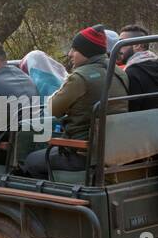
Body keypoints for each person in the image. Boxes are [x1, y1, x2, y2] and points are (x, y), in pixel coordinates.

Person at [20, 26, 127, 178]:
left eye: (74, 50)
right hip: (112, 149)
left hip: (81, 153)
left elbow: (52, 109)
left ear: (87, 52)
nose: (70, 54)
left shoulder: (79, 77)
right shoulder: (119, 72)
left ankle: (51, 200)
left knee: (30, 161)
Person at [118, 24, 158, 111]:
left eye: (122, 43)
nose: (119, 48)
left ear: (137, 45)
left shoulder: (131, 73)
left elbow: (132, 110)